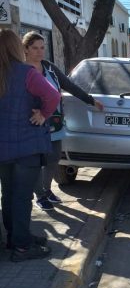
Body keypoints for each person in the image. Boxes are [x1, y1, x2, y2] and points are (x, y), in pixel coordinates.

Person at [22, 32, 104, 211]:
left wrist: (91, 100)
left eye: (42, 47)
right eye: (35, 48)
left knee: (53, 158)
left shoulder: (49, 67)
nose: (39, 52)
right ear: (26, 49)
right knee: (36, 162)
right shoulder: (21, 70)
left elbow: (69, 86)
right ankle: (40, 195)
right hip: (32, 123)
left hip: (54, 121)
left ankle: (46, 189)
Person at [0, 29, 60, 261]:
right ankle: (22, 247)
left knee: (8, 194)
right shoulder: (27, 73)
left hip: (3, 148)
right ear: (17, 47)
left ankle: (15, 238)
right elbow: (53, 96)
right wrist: (44, 115)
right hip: (26, 147)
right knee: (22, 197)